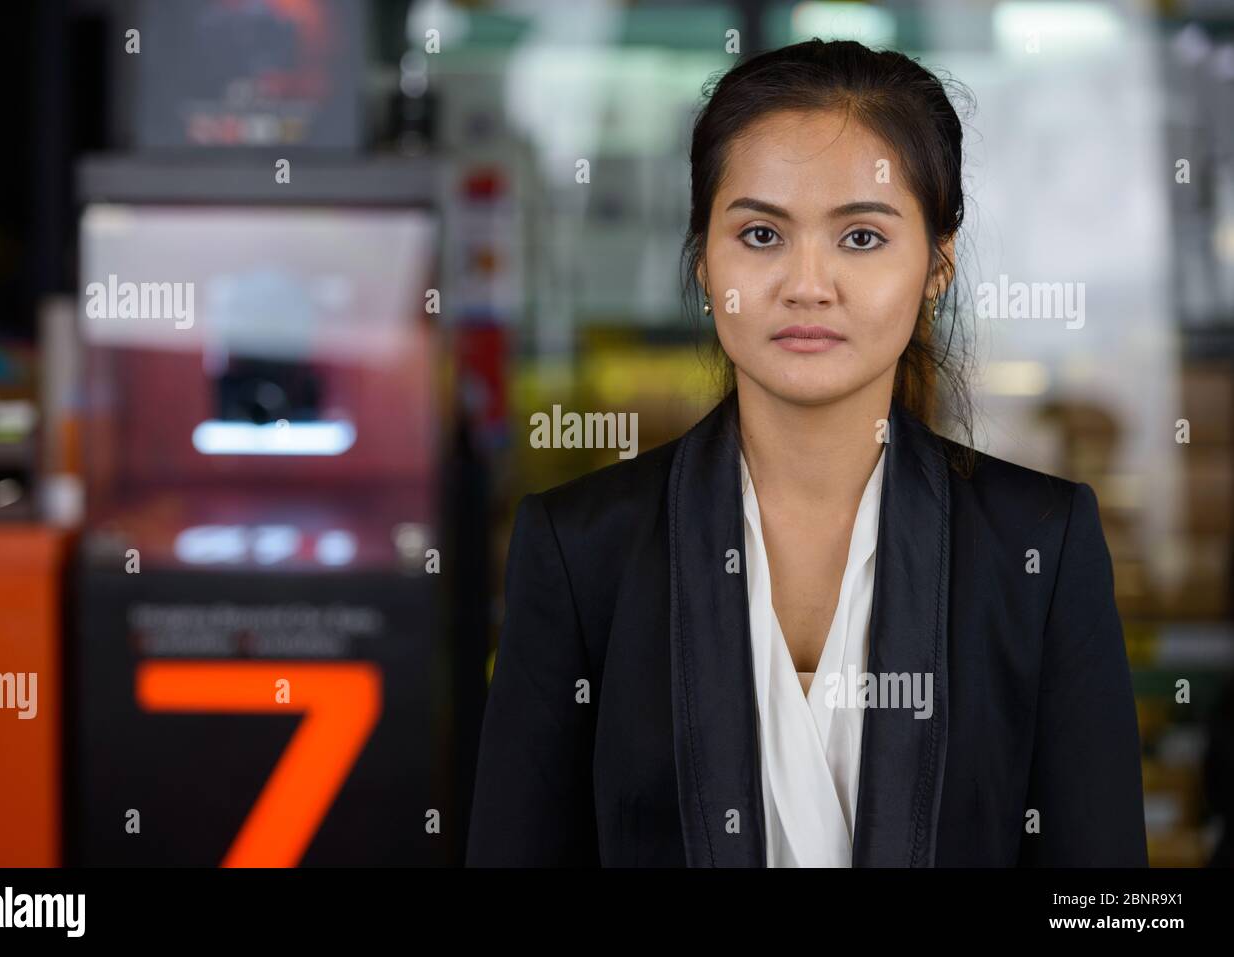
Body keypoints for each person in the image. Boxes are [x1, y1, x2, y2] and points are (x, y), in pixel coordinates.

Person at [465, 38, 1148, 867]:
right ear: (702, 256)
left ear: (938, 264)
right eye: (760, 234)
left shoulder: (1040, 545)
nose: (807, 283)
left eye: (862, 237)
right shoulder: (581, 550)